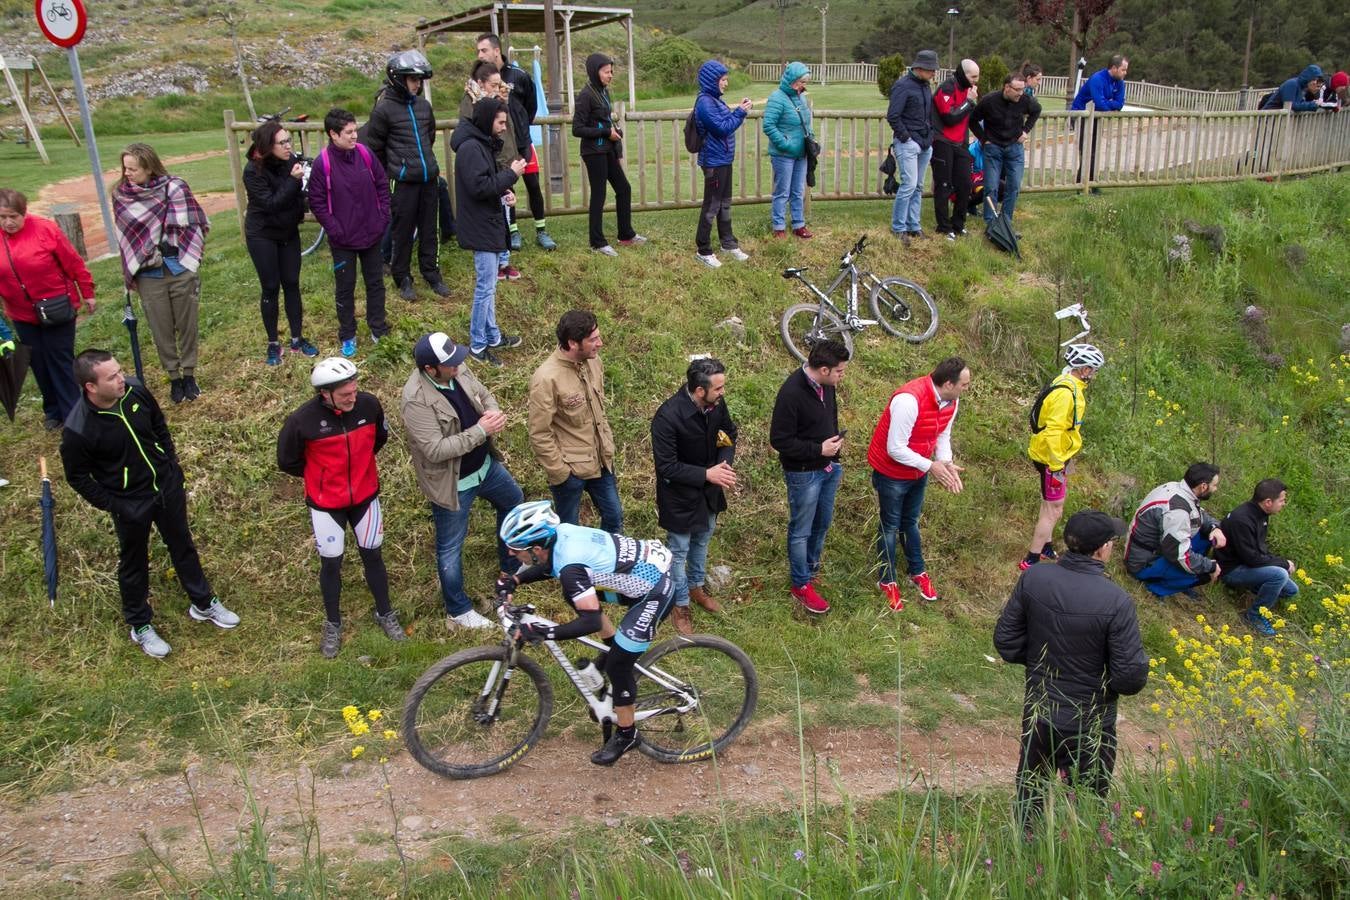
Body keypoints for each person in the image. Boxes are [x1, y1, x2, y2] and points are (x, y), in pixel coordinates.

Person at [60, 349, 239, 658]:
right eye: (112, 376)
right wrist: (116, 504)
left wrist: (172, 467)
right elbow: (77, 477)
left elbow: (159, 427)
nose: (121, 379)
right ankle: (140, 624)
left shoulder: (135, 391)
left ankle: (203, 603)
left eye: (120, 371)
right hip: (129, 502)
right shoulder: (78, 430)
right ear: (91, 386)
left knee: (182, 544)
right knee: (134, 561)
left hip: (166, 487)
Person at [994, 510, 1148, 829]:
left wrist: (1042, 661)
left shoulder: (1034, 577)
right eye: (1112, 543)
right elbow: (1129, 678)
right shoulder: (1116, 601)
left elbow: (1006, 642)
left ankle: (1026, 856)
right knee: (1086, 807)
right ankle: (1075, 864)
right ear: (1101, 549)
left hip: (1040, 710)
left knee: (1030, 795)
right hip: (1091, 721)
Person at [498, 500, 677, 766]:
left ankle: (628, 734)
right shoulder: (562, 536)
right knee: (574, 595)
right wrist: (515, 579)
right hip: (640, 573)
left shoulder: (570, 566)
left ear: (536, 548)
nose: (511, 554)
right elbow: (551, 567)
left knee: (618, 665)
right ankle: (613, 644)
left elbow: (591, 621)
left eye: (515, 550)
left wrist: (541, 632)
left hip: (654, 591)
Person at [276, 357, 403, 658]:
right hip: (325, 504)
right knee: (331, 563)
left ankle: (384, 612)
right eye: (345, 395)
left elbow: (379, 440)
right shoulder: (301, 421)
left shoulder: (369, 406)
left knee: (373, 555)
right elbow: (288, 461)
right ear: (325, 393)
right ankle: (333, 623)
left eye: (354, 391)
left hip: (365, 497)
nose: (352, 398)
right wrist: (321, 478)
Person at [402, 331, 524, 631]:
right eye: (450, 363)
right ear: (430, 369)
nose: (459, 365)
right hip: (454, 482)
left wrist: (492, 410)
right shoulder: (415, 400)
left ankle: (511, 567)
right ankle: (458, 610)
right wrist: (481, 431)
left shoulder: (456, 366)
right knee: (450, 547)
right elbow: (435, 450)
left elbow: (482, 392)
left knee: (513, 501)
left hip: (485, 466)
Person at [866, 357, 971, 610]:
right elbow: (895, 448)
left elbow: (942, 434)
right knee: (889, 526)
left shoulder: (951, 401)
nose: (967, 389)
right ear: (948, 383)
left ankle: (917, 571)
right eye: (965, 385)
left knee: (910, 522)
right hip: (891, 472)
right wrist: (930, 466)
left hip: (918, 471)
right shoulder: (908, 400)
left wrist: (944, 462)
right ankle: (887, 580)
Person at [113, 143, 209, 403]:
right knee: (161, 330)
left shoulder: (175, 187)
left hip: (179, 267)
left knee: (187, 325)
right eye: (125, 168)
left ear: (148, 166)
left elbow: (195, 222)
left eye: (133, 168)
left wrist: (189, 259)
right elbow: (128, 236)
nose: (128, 173)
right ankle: (174, 378)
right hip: (148, 274)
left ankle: (189, 374)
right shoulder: (121, 194)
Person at [651, 357, 737, 635]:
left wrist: (723, 464)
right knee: (678, 551)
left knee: (703, 539)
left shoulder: (716, 406)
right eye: (718, 388)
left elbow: (727, 434)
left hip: (709, 492)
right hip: (679, 495)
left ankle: (696, 587)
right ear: (700, 391)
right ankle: (680, 603)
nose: (723, 393)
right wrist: (706, 475)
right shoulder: (668, 417)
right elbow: (666, 466)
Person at [0, 188, 94, 429]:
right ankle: (52, 411)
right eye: (2, 217)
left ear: (24, 213)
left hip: (56, 308)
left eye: (13, 216)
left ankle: (73, 412)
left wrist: (87, 292)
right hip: (21, 313)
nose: (8, 222)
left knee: (59, 359)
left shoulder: (45, 229)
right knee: (38, 362)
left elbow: (73, 262)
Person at [769, 339, 850, 615]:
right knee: (801, 531)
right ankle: (800, 584)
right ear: (824, 369)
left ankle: (811, 570)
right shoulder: (791, 393)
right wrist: (818, 449)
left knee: (822, 524)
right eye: (840, 371)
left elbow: (832, 418)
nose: (843, 375)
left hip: (829, 469)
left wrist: (834, 450)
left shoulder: (827, 386)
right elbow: (779, 440)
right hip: (804, 475)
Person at [364, 50, 451, 301]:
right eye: (413, 80)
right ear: (398, 79)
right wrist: (396, 169)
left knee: (429, 230)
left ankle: (432, 274)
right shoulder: (383, 110)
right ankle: (402, 277)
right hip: (402, 182)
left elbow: (429, 137)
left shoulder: (424, 107)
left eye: (420, 80)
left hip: (428, 179)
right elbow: (376, 148)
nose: (417, 84)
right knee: (402, 231)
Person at [308, 108, 392, 359]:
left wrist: (382, 217)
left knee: (375, 283)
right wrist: (335, 229)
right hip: (343, 240)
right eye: (349, 132)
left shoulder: (365, 155)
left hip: (371, 234)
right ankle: (348, 334)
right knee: (345, 287)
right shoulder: (323, 163)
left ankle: (378, 327)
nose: (355, 136)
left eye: (355, 130)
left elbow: (382, 185)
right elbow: (317, 202)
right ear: (333, 134)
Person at [528, 310, 622, 532]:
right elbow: (539, 433)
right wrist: (561, 472)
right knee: (568, 531)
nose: (600, 343)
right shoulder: (546, 378)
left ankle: (606, 564)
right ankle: (570, 567)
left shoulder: (593, 361)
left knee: (614, 516)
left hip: (601, 461)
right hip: (571, 472)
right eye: (593, 340)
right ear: (572, 343)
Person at [451, 95, 527, 367]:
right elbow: (480, 187)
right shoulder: (472, 148)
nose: (504, 127)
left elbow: (488, 184)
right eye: (500, 122)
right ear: (486, 120)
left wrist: (506, 191)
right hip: (481, 226)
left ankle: (492, 336)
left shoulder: (481, 144)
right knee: (485, 288)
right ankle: (477, 345)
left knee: (491, 286)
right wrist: (512, 175)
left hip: (489, 222)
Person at [1020, 343, 1104, 571]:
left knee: (1052, 502)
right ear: (1084, 370)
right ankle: (1032, 559)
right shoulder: (1067, 395)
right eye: (1093, 370)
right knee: (1053, 508)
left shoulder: (1065, 381)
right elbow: (1053, 431)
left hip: (1054, 455)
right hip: (1051, 459)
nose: (1093, 375)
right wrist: (1057, 465)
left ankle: (1046, 544)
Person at [242, 119, 317, 366]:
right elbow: (272, 202)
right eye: (282, 142)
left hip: (288, 232)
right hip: (262, 233)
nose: (288, 146)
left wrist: (303, 187)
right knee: (271, 287)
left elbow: (298, 196)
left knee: (292, 283)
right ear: (267, 146)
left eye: (289, 140)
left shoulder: (290, 162)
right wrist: (294, 182)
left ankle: (297, 339)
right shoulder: (253, 171)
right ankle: (273, 343)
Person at [475, 33, 557, 251]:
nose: (480, 55)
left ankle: (541, 231)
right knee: (505, 188)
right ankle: (513, 232)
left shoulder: (519, 75)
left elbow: (531, 106)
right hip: (499, 147)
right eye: (478, 51)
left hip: (523, 144)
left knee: (533, 186)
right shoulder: (480, 80)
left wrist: (520, 129)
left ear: (496, 50)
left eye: (483, 50)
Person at [573, 53, 647, 256]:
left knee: (624, 188)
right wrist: (606, 132)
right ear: (595, 72)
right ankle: (597, 242)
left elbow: (606, 121)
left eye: (611, 71)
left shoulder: (603, 92)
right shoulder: (585, 96)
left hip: (607, 150)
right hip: (593, 152)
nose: (610, 75)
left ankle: (626, 235)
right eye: (606, 71)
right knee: (599, 195)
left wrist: (616, 139)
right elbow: (577, 129)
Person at [458, 61, 523, 284]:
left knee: (504, 212)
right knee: (485, 287)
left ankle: (503, 260)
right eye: (493, 85)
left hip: (503, 164)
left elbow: (507, 132)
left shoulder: (497, 105)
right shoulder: (473, 105)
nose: (498, 89)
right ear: (481, 84)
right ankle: (499, 262)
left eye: (499, 85)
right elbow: (477, 132)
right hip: (490, 167)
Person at [1125, 462, 1227, 600]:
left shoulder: (1179, 489)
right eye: (1214, 485)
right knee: (1203, 574)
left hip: (1155, 546)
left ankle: (1176, 578)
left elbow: (1198, 515)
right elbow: (1180, 556)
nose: (1215, 489)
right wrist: (1210, 566)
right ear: (1203, 487)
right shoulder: (1177, 512)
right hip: (1143, 562)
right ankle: (1156, 587)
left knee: (1206, 535)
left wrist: (1214, 528)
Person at [1215, 479, 1299, 636]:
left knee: (1291, 590)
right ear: (1268, 502)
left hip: (1248, 565)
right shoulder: (1242, 520)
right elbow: (1252, 558)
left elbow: (1259, 551)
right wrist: (1283, 564)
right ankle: (1254, 616)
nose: (1284, 504)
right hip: (1231, 569)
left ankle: (1258, 587)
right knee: (1279, 575)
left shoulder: (1261, 514)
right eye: (1281, 500)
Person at [692, 60, 752, 268]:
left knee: (725, 203)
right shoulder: (705, 103)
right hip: (713, 162)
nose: (726, 83)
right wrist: (740, 112)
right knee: (712, 205)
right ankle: (703, 249)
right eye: (723, 80)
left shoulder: (715, 100)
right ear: (712, 80)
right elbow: (721, 128)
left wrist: (738, 110)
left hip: (724, 160)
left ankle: (728, 243)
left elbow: (725, 121)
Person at [970, 73, 1041, 230]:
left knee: (1014, 185)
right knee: (991, 186)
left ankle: (1006, 220)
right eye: (1017, 90)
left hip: (1014, 148)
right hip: (993, 148)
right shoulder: (989, 101)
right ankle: (990, 220)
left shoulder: (1025, 100)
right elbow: (972, 120)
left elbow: (1037, 110)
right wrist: (983, 139)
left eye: (1022, 89)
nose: (1020, 93)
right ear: (1007, 87)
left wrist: (1025, 131)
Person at [886, 49, 940, 245]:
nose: (934, 73)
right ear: (920, 68)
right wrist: (906, 137)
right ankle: (899, 227)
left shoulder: (925, 86)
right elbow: (893, 115)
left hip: (925, 142)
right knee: (908, 185)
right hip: (908, 143)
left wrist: (930, 135)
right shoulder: (902, 86)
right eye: (931, 69)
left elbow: (928, 115)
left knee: (918, 186)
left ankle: (914, 226)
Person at [762, 61, 814, 239]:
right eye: (801, 81)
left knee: (798, 191)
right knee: (782, 192)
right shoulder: (777, 97)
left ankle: (799, 224)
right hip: (783, 154)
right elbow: (768, 125)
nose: (803, 85)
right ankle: (779, 227)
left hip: (801, 153)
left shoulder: (801, 97)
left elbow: (806, 121)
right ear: (792, 79)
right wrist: (785, 143)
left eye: (805, 82)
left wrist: (811, 139)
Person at [930, 59, 980, 241]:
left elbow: (967, 118)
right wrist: (969, 102)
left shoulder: (969, 91)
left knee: (966, 185)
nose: (976, 80)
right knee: (943, 185)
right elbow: (949, 117)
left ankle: (958, 224)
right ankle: (944, 227)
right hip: (942, 142)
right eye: (973, 76)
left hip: (960, 144)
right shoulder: (947, 88)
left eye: (977, 76)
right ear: (963, 73)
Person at [1071, 55, 1128, 188]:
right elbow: (1100, 103)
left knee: (1094, 151)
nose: (1125, 73)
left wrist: (1109, 103)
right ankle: (1082, 185)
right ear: (1114, 68)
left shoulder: (1119, 82)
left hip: (1096, 117)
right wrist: (1109, 104)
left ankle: (1090, 183)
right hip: (1081, 115)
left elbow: (1120, 104)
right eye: (1123, 70)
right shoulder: (1097, 78)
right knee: (1086, 151)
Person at [1260, 64, 1327, 112]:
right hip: (1268, 119)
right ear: (1309, 78)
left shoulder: (1301, 88)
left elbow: (1299, 103)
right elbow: (1291, 105)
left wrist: (1313, 102)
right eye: (1314, 79)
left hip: (1277, 120)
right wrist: (1312, 105)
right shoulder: (1292, 84)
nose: (1315, 83)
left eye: (1317, 80)